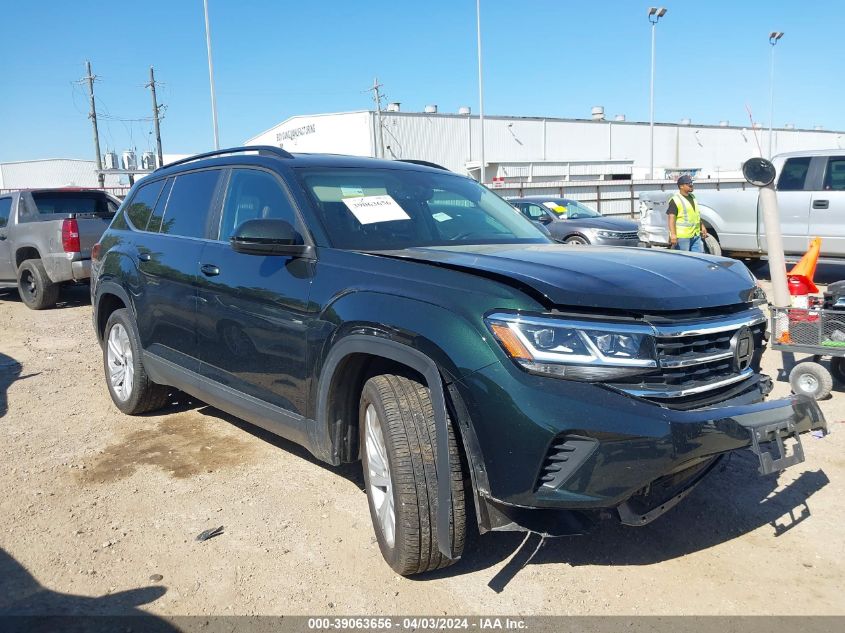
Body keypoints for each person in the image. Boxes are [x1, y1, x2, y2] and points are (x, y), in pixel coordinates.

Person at [666, 174, 708, 252]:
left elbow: (696, 214)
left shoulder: (692, 197)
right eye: (688, 184)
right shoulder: (675, 200)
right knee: (683, 260)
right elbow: (671, 218)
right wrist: (673, 235)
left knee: (697, 258)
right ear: (681, 186)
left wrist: (702, 226)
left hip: (695, 234)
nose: (691, 185)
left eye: (691, 183)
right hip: (682, 237)